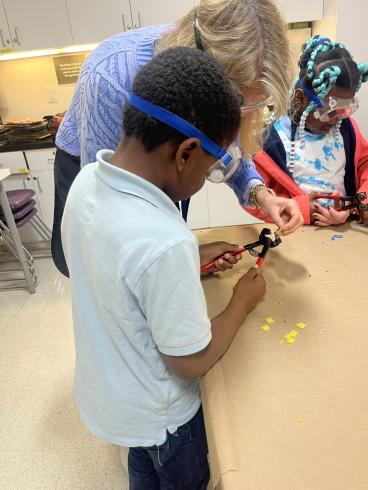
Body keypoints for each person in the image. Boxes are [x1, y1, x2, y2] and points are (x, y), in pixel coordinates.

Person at [61, 46, 267, 490]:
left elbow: (117, 268)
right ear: (186, 152)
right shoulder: (164, 239)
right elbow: (190, 360)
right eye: (211, 168)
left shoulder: (85, 184)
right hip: (166, 420)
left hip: (120, 406)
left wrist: (192, 257)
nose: (204, 178)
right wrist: (242, 302)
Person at [53, 0, 304, 277]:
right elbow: (108, 213)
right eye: (236, 105)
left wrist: (262, 195)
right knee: (100, 266)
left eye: (248, 109)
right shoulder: (111, 78)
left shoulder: (222, 81)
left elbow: (231, 148)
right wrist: (173, 262)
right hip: (92, 160)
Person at [244, 36, 368, 226]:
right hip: (297, 233)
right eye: (330, 112)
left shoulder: (346, 128)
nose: (337, 120)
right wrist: (301, 210)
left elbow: (365, 163)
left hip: (344, 229)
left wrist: (361, 203)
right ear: (301, 99)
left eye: (345, 110)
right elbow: (253, 198)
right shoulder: (272, 141)